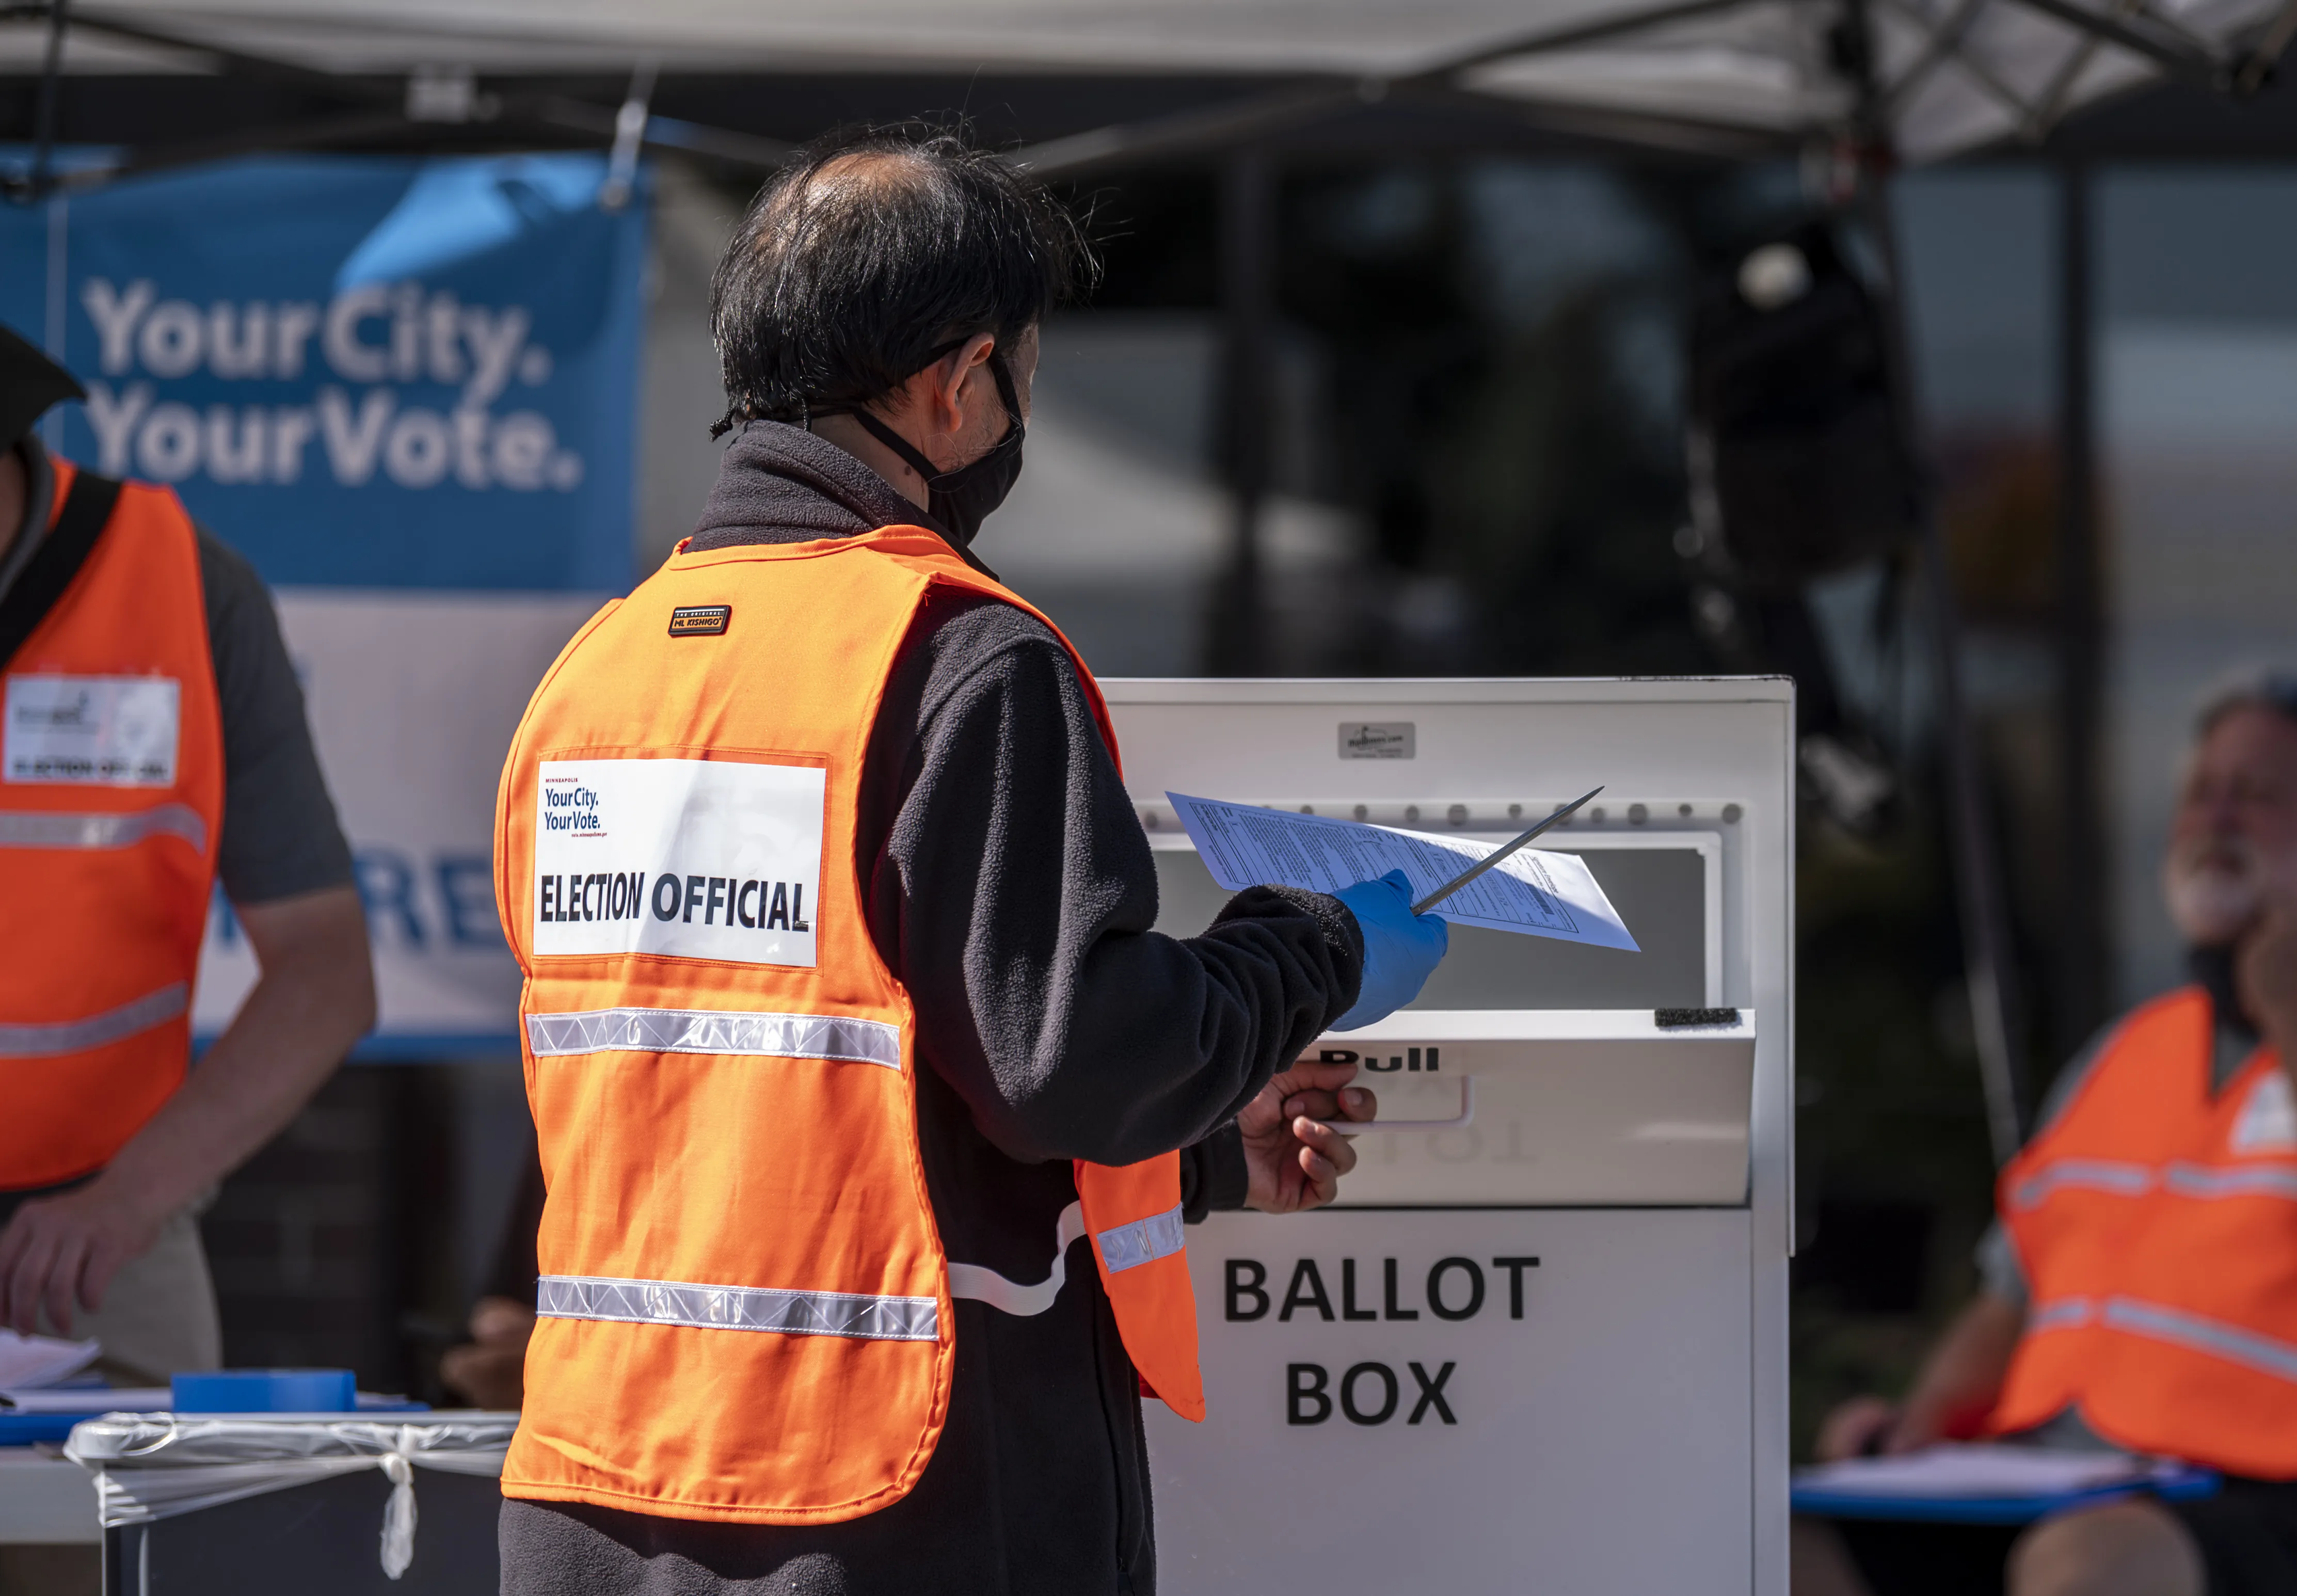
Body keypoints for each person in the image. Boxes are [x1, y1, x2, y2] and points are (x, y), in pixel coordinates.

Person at [490, 126, 1448, 1594]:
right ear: (956, 381)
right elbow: (1068, 1060)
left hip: (602, 1493)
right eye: (1022, 381)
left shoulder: (590, 678)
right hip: (879, 1501)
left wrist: (1198, 1154)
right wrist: (1316, 946)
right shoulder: (953, 655)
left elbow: (811, 1092)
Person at [1799, 671, 2297, 1596]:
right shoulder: (2126, 1052)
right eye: (2200, 793)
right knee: (1778, 1548)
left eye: (2259, 795)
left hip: (2253, 1488)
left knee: (2082, 1569)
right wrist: (1918, 1425)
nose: (2215, 818)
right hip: (2051, 1472)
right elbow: (2010, 1293)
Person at [0, 325, 375, 1384]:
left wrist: (128, 1199)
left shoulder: (181, 586)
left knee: (118, 1552)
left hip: (101, 1240)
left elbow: (326, 971)